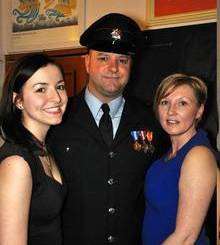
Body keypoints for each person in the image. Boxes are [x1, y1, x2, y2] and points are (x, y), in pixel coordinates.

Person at [49, 13, 167, 245]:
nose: (113, 68)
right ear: (87, 63)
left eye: (122, 60)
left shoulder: (151, 118)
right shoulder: (57, 118)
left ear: (131, 66)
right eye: (103, 58)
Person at [0, 53, 68, 244]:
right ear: (18, 101)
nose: (56, 97)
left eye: (60, 87)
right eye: (41, 89)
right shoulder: (17, 164)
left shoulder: (45, 148)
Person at [142, 73, 217, 244]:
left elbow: (185, 238)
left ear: (199, 110)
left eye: (182, 103)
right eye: (165, 102)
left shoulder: (198, 156)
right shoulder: (167, 155)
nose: (171, 111)